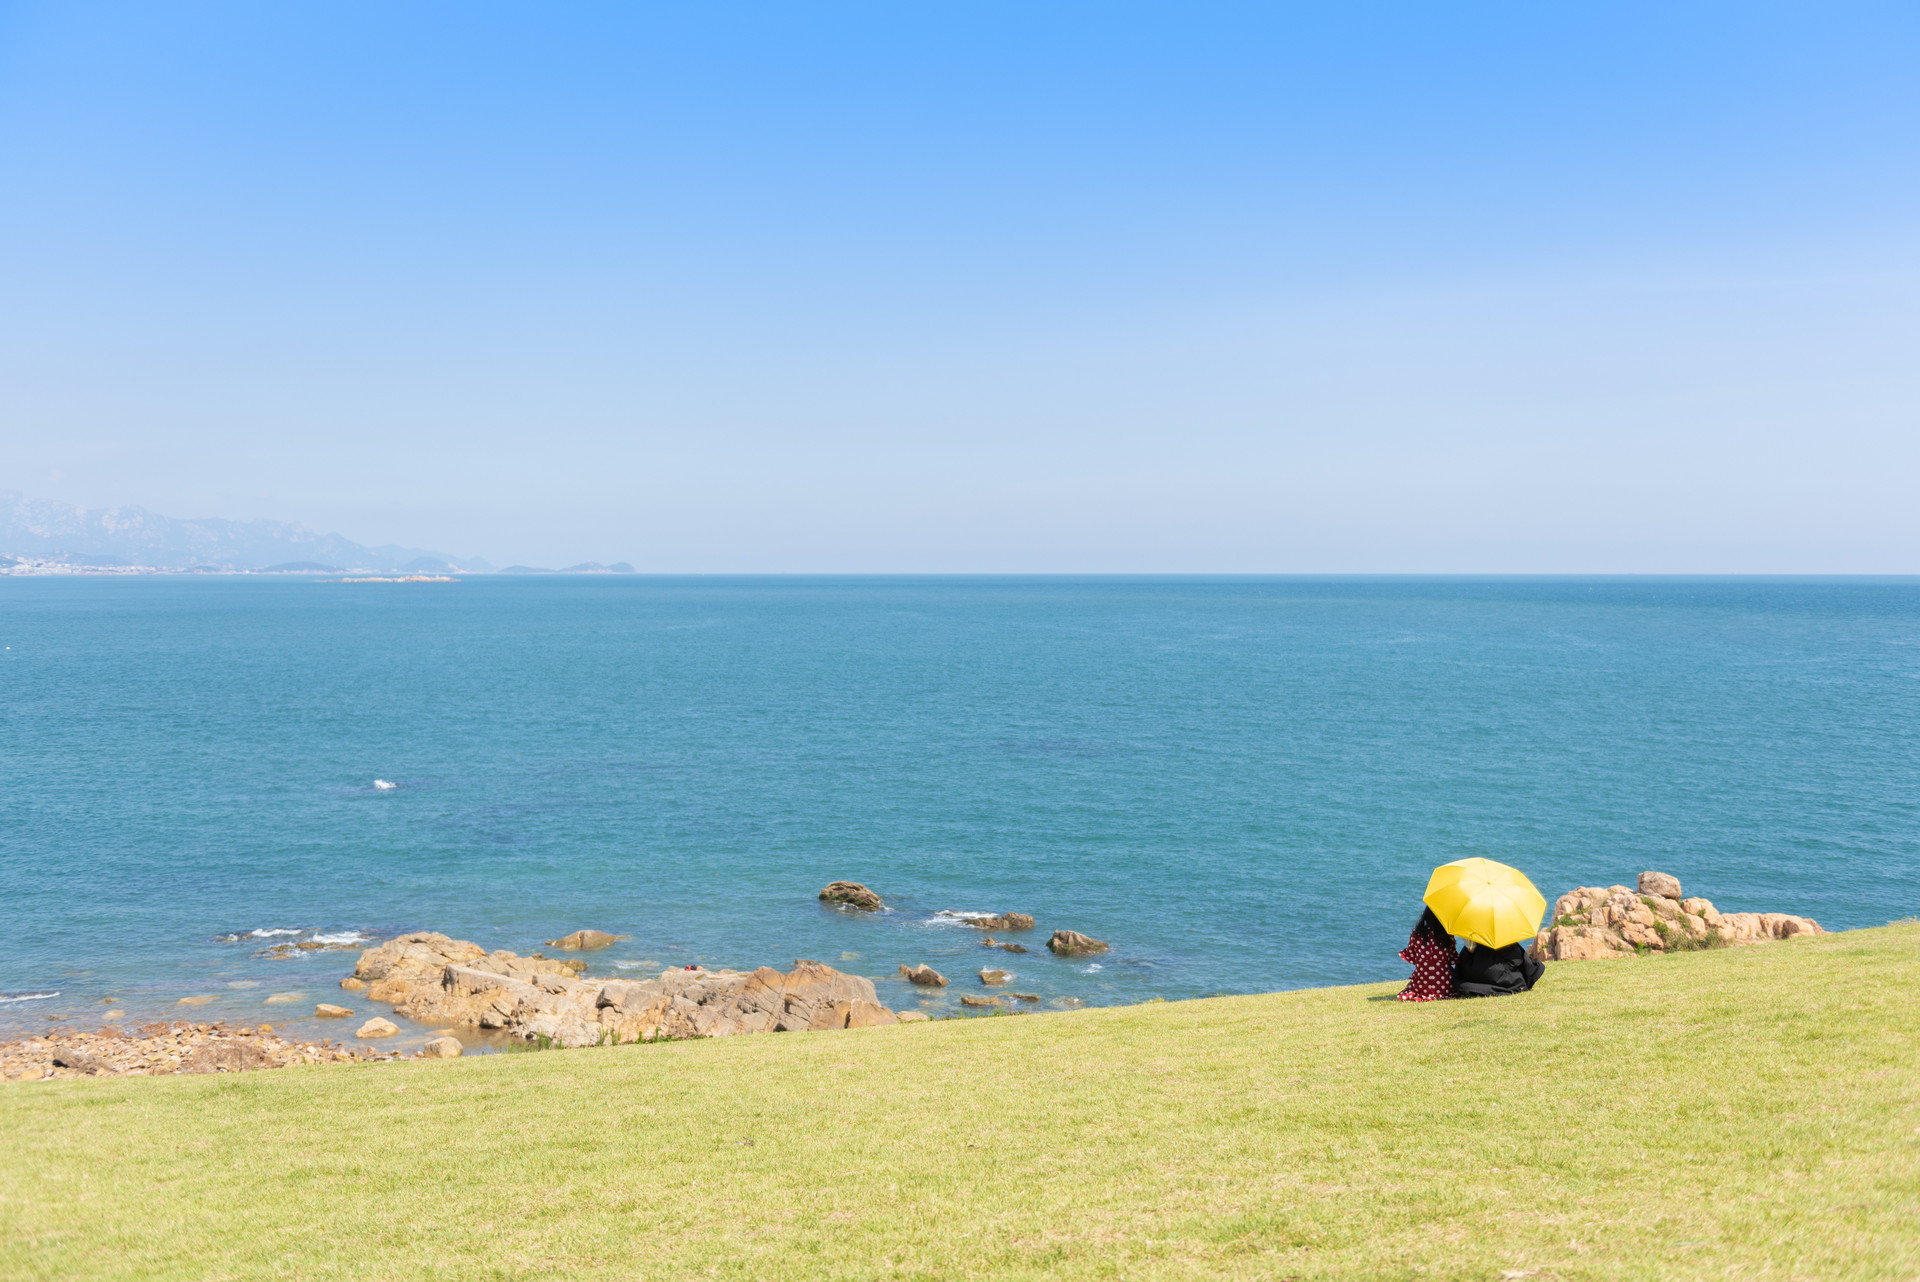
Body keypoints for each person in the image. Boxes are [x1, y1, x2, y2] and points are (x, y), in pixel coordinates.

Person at [1396, 907, 1457, 1001]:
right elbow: (1453, 958)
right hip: (1445, 984)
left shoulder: (1417, 934)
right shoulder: (1447, 935)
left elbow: (1411, 955)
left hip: (1422, 984)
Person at [1451, 938, 1545, 997]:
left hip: (1476, 975)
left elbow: (1470, 951)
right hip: (1502, 977)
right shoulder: (1504, 931)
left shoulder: (1473, 931)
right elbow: (1515, 959)